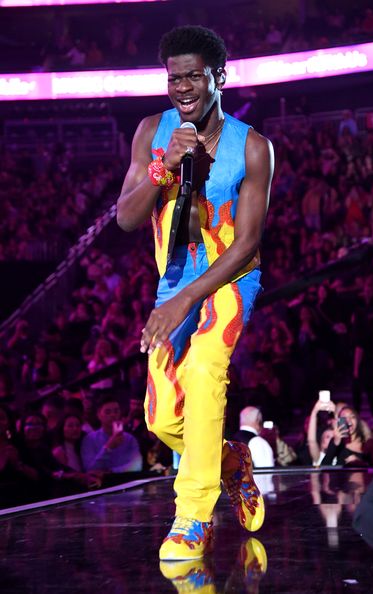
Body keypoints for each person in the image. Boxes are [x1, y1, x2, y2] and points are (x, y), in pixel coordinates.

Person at [116, 25, 273, 560]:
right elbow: (126, 218)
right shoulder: (151, 131)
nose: (182, 86)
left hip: (230, 278)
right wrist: (163, 168)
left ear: (218, 76)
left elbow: (248, 245)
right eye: (173, 77)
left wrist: (187, 300)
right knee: (160, 418)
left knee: (206, 369)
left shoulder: (253, 146)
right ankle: (229, 460)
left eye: (193, 75)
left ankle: (193, 514)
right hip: (174, 281)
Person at [81, 394, 142, 473]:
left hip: (127, 481)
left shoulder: (130, 439)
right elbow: (90, 469)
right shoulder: (89, 439)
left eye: (116, 411)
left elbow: (137, 466)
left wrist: (111, 471)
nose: (113, 415)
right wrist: (108, 447)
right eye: (108, 412)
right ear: (99, 415)